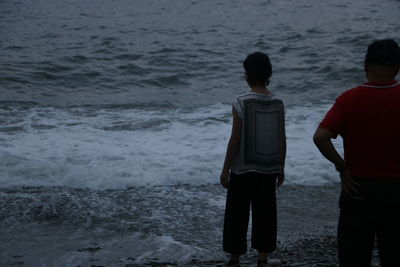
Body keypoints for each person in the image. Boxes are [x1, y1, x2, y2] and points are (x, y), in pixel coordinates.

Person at [313, 39, 400, 267]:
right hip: (397, 192)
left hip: (359, 190)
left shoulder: (349, 99)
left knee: (354, 258)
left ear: (365, 65)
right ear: (397, 67)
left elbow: (320, 137)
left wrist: (342, 167)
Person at [220, 52, 286, 267]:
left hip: (244, 168)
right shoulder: (277, 101)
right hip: (268, 166)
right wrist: (281, 167)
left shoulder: (241, 101)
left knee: (237, 212)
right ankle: (263, 257)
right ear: (269, 74)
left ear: (247, 74)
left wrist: (225, 168)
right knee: (266, 211)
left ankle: (235, 257)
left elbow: (236, 138)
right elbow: (281, 137)